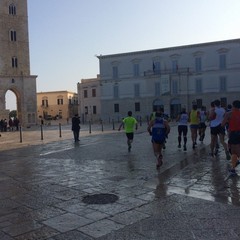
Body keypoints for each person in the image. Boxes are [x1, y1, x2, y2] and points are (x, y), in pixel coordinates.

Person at [221, 100, 240, 175]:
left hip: (233, 134)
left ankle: (233, 169)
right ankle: (233, 168)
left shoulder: (229, 114)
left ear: (233, 106)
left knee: (234, 152)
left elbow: (222, 124)